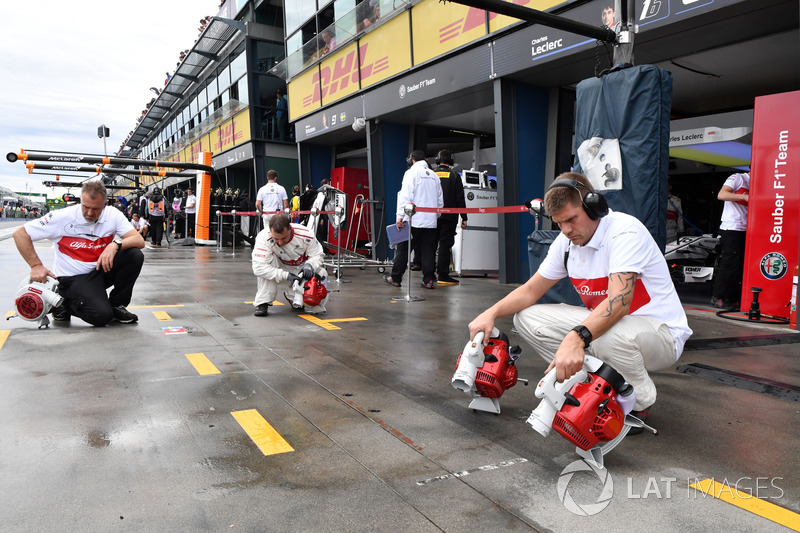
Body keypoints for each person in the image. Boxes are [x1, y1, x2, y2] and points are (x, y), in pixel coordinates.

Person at [468, 172, 692, 429]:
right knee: (527, 318)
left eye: (572, 219)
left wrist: (576, 338)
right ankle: (591, 384)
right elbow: (530, 291)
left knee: (607, 333)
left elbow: (619, 303)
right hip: (613, 329)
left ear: (594, 206)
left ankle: (636, 403)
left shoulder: (624, 232)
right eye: (559, 223)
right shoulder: (566, 242)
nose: (566, 230)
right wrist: (491, 313)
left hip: (661, 335)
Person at [12, 181, 145, 326]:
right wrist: (36, 265)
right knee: (101, 317)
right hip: (73, 278)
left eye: (96, 209)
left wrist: (115, 245)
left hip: (99, 271)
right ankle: (62, 303)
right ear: (81, 200)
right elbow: (20, 234)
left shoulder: (112, 214)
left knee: (134, 255)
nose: (89, 213)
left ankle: (116, 304)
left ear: (105, 204)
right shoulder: (62, 217)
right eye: (85, 207)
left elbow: (138, 240)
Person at [384, 150, 444, 289]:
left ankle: (396, 278)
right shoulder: (434, 176)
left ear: (412, 160)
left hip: (413, 220)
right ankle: (428, 280)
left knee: (404, 249)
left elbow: (405, 197)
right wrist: (434, 216)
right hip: (431, 221)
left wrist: (400, 217)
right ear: (426, 160)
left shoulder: (411, 173)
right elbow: (440, 201)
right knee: (429, 251)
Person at [251, 213, 327, 317]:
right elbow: (258, 268)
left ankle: (292, 296)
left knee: (321, 274)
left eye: (284, 238)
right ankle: (263, 301)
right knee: (264, 265)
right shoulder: (263, 237)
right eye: (276, 239)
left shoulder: (306, 234)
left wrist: (310, 265)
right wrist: (285, 275)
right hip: (278, 265)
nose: (280, 243)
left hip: (301, 268)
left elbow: (318, 254)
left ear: (290, 229)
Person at [711, 172, 750, 310]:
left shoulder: (760, 183)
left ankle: (732, 297)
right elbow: (721, 195)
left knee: (740, 265)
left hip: (749, 228)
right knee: (730, 263)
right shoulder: (739, 177)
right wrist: (744, 196)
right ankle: (718, 296)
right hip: (732, 227)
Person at [434, 149, 467, 284]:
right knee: (445, 245)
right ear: (451, 161)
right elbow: (460, 198)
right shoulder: (454, 175)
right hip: (449, 218)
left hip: (432, 216)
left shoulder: (432, 174)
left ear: (437, 160)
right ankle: (443, 275)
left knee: (430, 245)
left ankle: (429, 275)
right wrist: (464, 217)